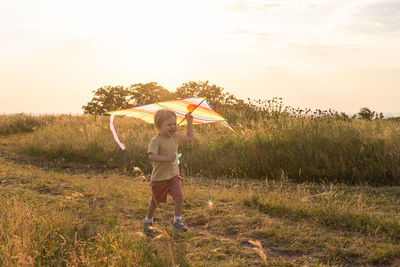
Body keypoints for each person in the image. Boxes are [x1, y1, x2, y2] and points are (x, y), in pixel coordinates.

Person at [142, 109, 194, 236]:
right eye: (169, 124)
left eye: (174, 124)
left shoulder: (175, 137)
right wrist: (166, 158)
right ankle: (147, 220)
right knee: (155, 202)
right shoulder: (156, 140)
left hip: (173, 176)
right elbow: (151, 157)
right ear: (159, 126)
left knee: (179, 196)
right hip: (159, 178)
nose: (173, 127)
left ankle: (177, 220)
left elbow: (189, 138)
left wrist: (189, 122)